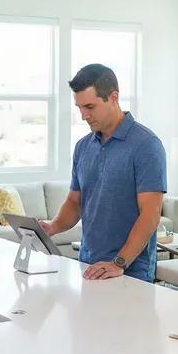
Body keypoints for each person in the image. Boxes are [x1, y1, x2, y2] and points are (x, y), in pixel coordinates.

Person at [42, 63, 167, 283]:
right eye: (79, 107)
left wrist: (119, 262)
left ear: (113, 97)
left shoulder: (146, 145)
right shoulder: (83, 146)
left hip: (129, 270)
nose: (83, 115)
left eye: (90, 106)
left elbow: (150, 214)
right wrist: (53, 226)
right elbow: (75, 202)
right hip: (88, 264)